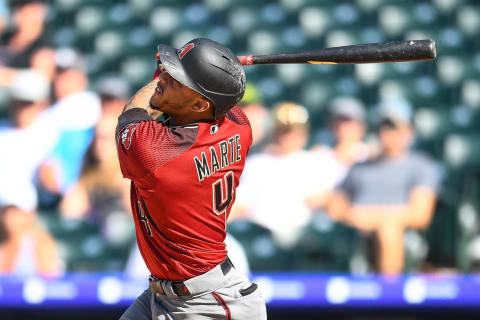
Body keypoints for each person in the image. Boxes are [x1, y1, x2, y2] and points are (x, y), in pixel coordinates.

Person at [116, 38, 266, 320]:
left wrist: (209, 71)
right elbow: (221, 98)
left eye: (175, 79)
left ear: (198, 105)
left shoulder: (153, 152)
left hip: (208, 306)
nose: (163, 77)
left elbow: (136, 110)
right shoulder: (238, 126)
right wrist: (212, 71)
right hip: (167, 293)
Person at [327, 99, 440, 275]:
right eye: (383, 126)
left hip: (398, 234)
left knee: (388, 230)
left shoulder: (420, 166)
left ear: (409, 131)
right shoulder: (360, 166)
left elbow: (420, 214)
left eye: (393, 126)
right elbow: (335, 205)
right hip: (356, 233)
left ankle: (389, 295)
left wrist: (373, 217)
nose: (386, 132)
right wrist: (352, 216)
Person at [231, 102, 339, 248]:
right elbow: (241, 205)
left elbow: (333, 201)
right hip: (262, 235)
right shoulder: (256, 164)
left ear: (304, 133)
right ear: (275, 132)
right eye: (284, 131)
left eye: (295, 131)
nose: (289, 137)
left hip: (305, 237)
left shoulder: (318, 161)